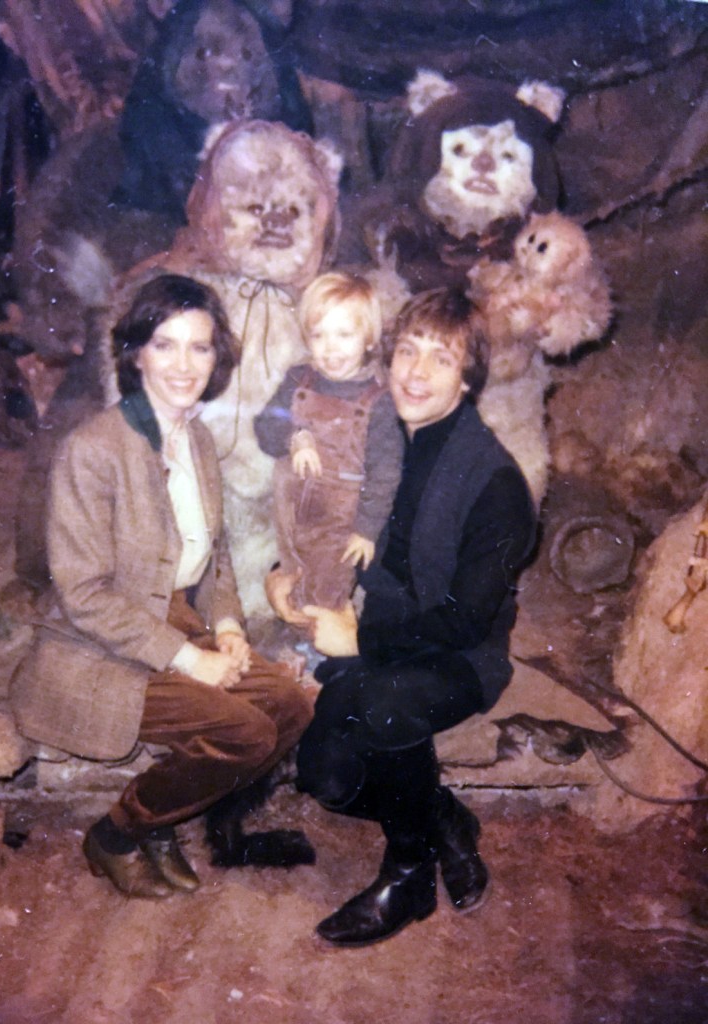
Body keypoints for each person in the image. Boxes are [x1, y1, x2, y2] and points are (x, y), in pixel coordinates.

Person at [11, 274, 314, 899]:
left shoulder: (196, 438)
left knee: (290, 705)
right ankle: (120, 832)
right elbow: (84, 595)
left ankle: (167, 815)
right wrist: (191, 661)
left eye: (199, 347)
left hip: (172, 619)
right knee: (246, 733)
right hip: (101, 645)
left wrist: (227, 628)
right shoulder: (93, 450)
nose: (184, 365)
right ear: (136, 353)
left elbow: (213, 553)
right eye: (165, 345)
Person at [267, 287, 537, 946]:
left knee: (386, 706)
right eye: (408, 352)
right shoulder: (378, 434)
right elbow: (328, 517)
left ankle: (409, 874)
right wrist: (286, 576)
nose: (416, 373)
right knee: (325, 777)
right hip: (381, 636)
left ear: (468, 378)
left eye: (441, 360)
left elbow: (465, 621)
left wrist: (360, 638)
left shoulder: (498, 484)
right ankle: (443, 817)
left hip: (458, 657)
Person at [253, 272, 403, 613]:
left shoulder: (380, 401)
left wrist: (366, 530)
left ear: (369, 339)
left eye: (344, 335)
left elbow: (385, 473)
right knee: (291, 580)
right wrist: (294, 437)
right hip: (290, 511)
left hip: (340, 523)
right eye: (319, 335)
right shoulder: (297, 379)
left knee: (327, 592)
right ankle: (296, 629)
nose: (330, 348)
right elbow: (264, 427)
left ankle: (323, 636)